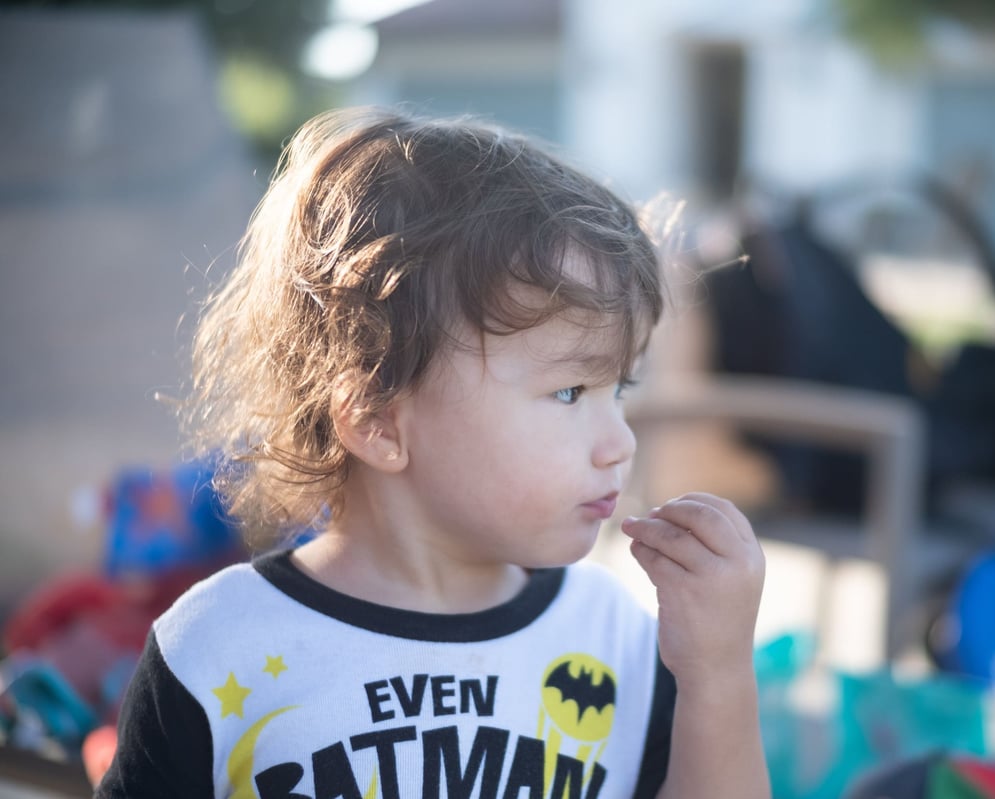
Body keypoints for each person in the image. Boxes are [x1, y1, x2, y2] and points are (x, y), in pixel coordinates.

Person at [96, 107, 768, 798]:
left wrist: (717, 674)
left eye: (618, 388)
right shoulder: (218, 647)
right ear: (379, 419)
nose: (620, 443)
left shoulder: (616, 636)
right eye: (570, 391)